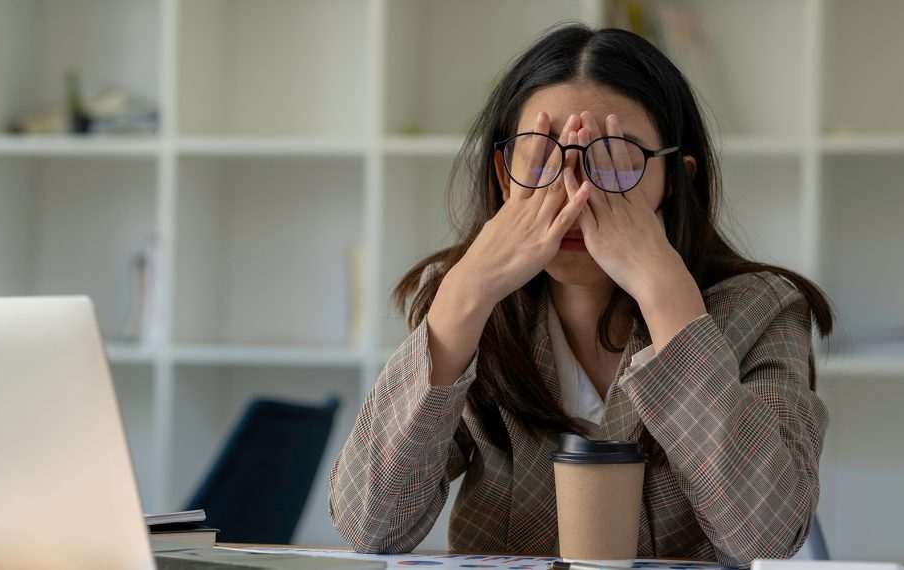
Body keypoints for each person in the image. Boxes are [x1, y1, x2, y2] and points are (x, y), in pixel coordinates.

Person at [329, 23, 832, 568]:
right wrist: (463, 298)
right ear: (504, 175)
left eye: (613, 159)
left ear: (675, 179)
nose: (574, 191)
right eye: (543, 156)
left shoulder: (763, 309)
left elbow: (766, 537)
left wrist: (669, 301)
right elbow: (368, 525)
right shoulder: (466, 305)